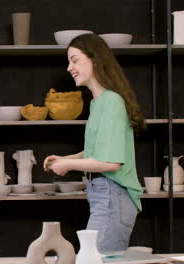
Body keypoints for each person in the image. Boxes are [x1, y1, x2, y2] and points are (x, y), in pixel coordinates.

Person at [43, 33, 146, 253]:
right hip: (106, 195)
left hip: (112, 196)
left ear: (95, 60)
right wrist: (66, 159)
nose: (69, 67)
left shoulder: (111, 101)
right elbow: (100, 149)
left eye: (75, 59)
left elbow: (110, 162)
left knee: (93, 260)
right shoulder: (100, 102)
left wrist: (68, 165)